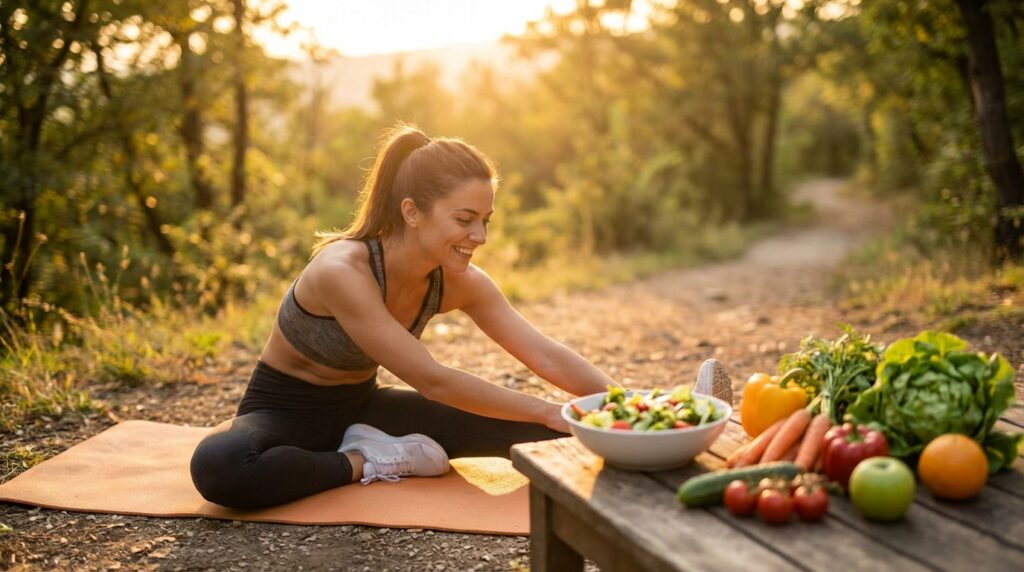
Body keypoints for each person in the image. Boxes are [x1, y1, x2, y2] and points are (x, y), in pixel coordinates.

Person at [189, 124, 618, 509]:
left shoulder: (457, 278)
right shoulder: (343, 270)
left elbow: (542, 354)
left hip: (366, 408)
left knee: (577, 434)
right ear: (411, 212)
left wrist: (627, 405)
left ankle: (367, 449)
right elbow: (433, 380)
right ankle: (367, 460)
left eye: (485, 221)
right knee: (223, 466)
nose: (480, 237)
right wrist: (545, 408)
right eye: (465, 219)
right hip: (284, 412)